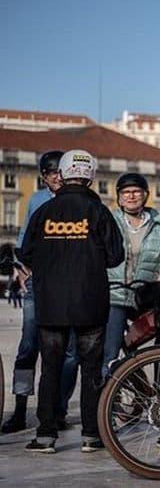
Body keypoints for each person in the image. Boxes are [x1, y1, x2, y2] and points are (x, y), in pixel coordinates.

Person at [18, 149, 124, 453]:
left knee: (50, 366)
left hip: (51, 304)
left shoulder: (44, 212)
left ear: (62, 175)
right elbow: (116, 255)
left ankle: (46, 435)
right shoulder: (99, 211)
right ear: (91, 177)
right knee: (91, 369)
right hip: (90, 301)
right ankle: (92, 434)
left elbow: (25, 254)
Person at [2, 151, 79, 435]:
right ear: (43, 176)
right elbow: (23, 240)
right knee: (28, 346)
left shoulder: (78, 199)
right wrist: (23, 268)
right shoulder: (36, 200)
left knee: (69, 351)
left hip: (70, 286)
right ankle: (20, 410)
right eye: (51, 173)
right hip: (38, 284)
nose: (57, 177)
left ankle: (58, 409)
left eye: (60, 171)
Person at [102, 173, 160, 378]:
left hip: (144, 295)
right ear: (119, 197)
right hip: (114, 294)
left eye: (136, 192)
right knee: (111, 353)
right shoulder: (109, 221)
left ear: (145, 195)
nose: (131, 196)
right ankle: (108, 398)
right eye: (126, 192)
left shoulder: (159, 225)